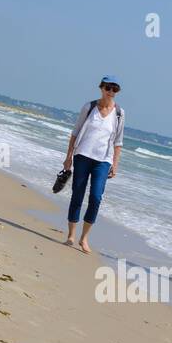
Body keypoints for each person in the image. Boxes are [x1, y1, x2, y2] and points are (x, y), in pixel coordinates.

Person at [62, 78, 125, 252]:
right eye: (108, 88)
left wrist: (115, 163)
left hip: (103, 161)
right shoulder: (88, 107)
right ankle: (71, 235)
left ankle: (84, 238)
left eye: (115, 89)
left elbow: (118, 142)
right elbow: (75, 133)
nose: (111, 92)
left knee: (96, 197)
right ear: (101, 88)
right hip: (83, 155)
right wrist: (68, 157)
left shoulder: (119, 113)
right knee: (77, 195)